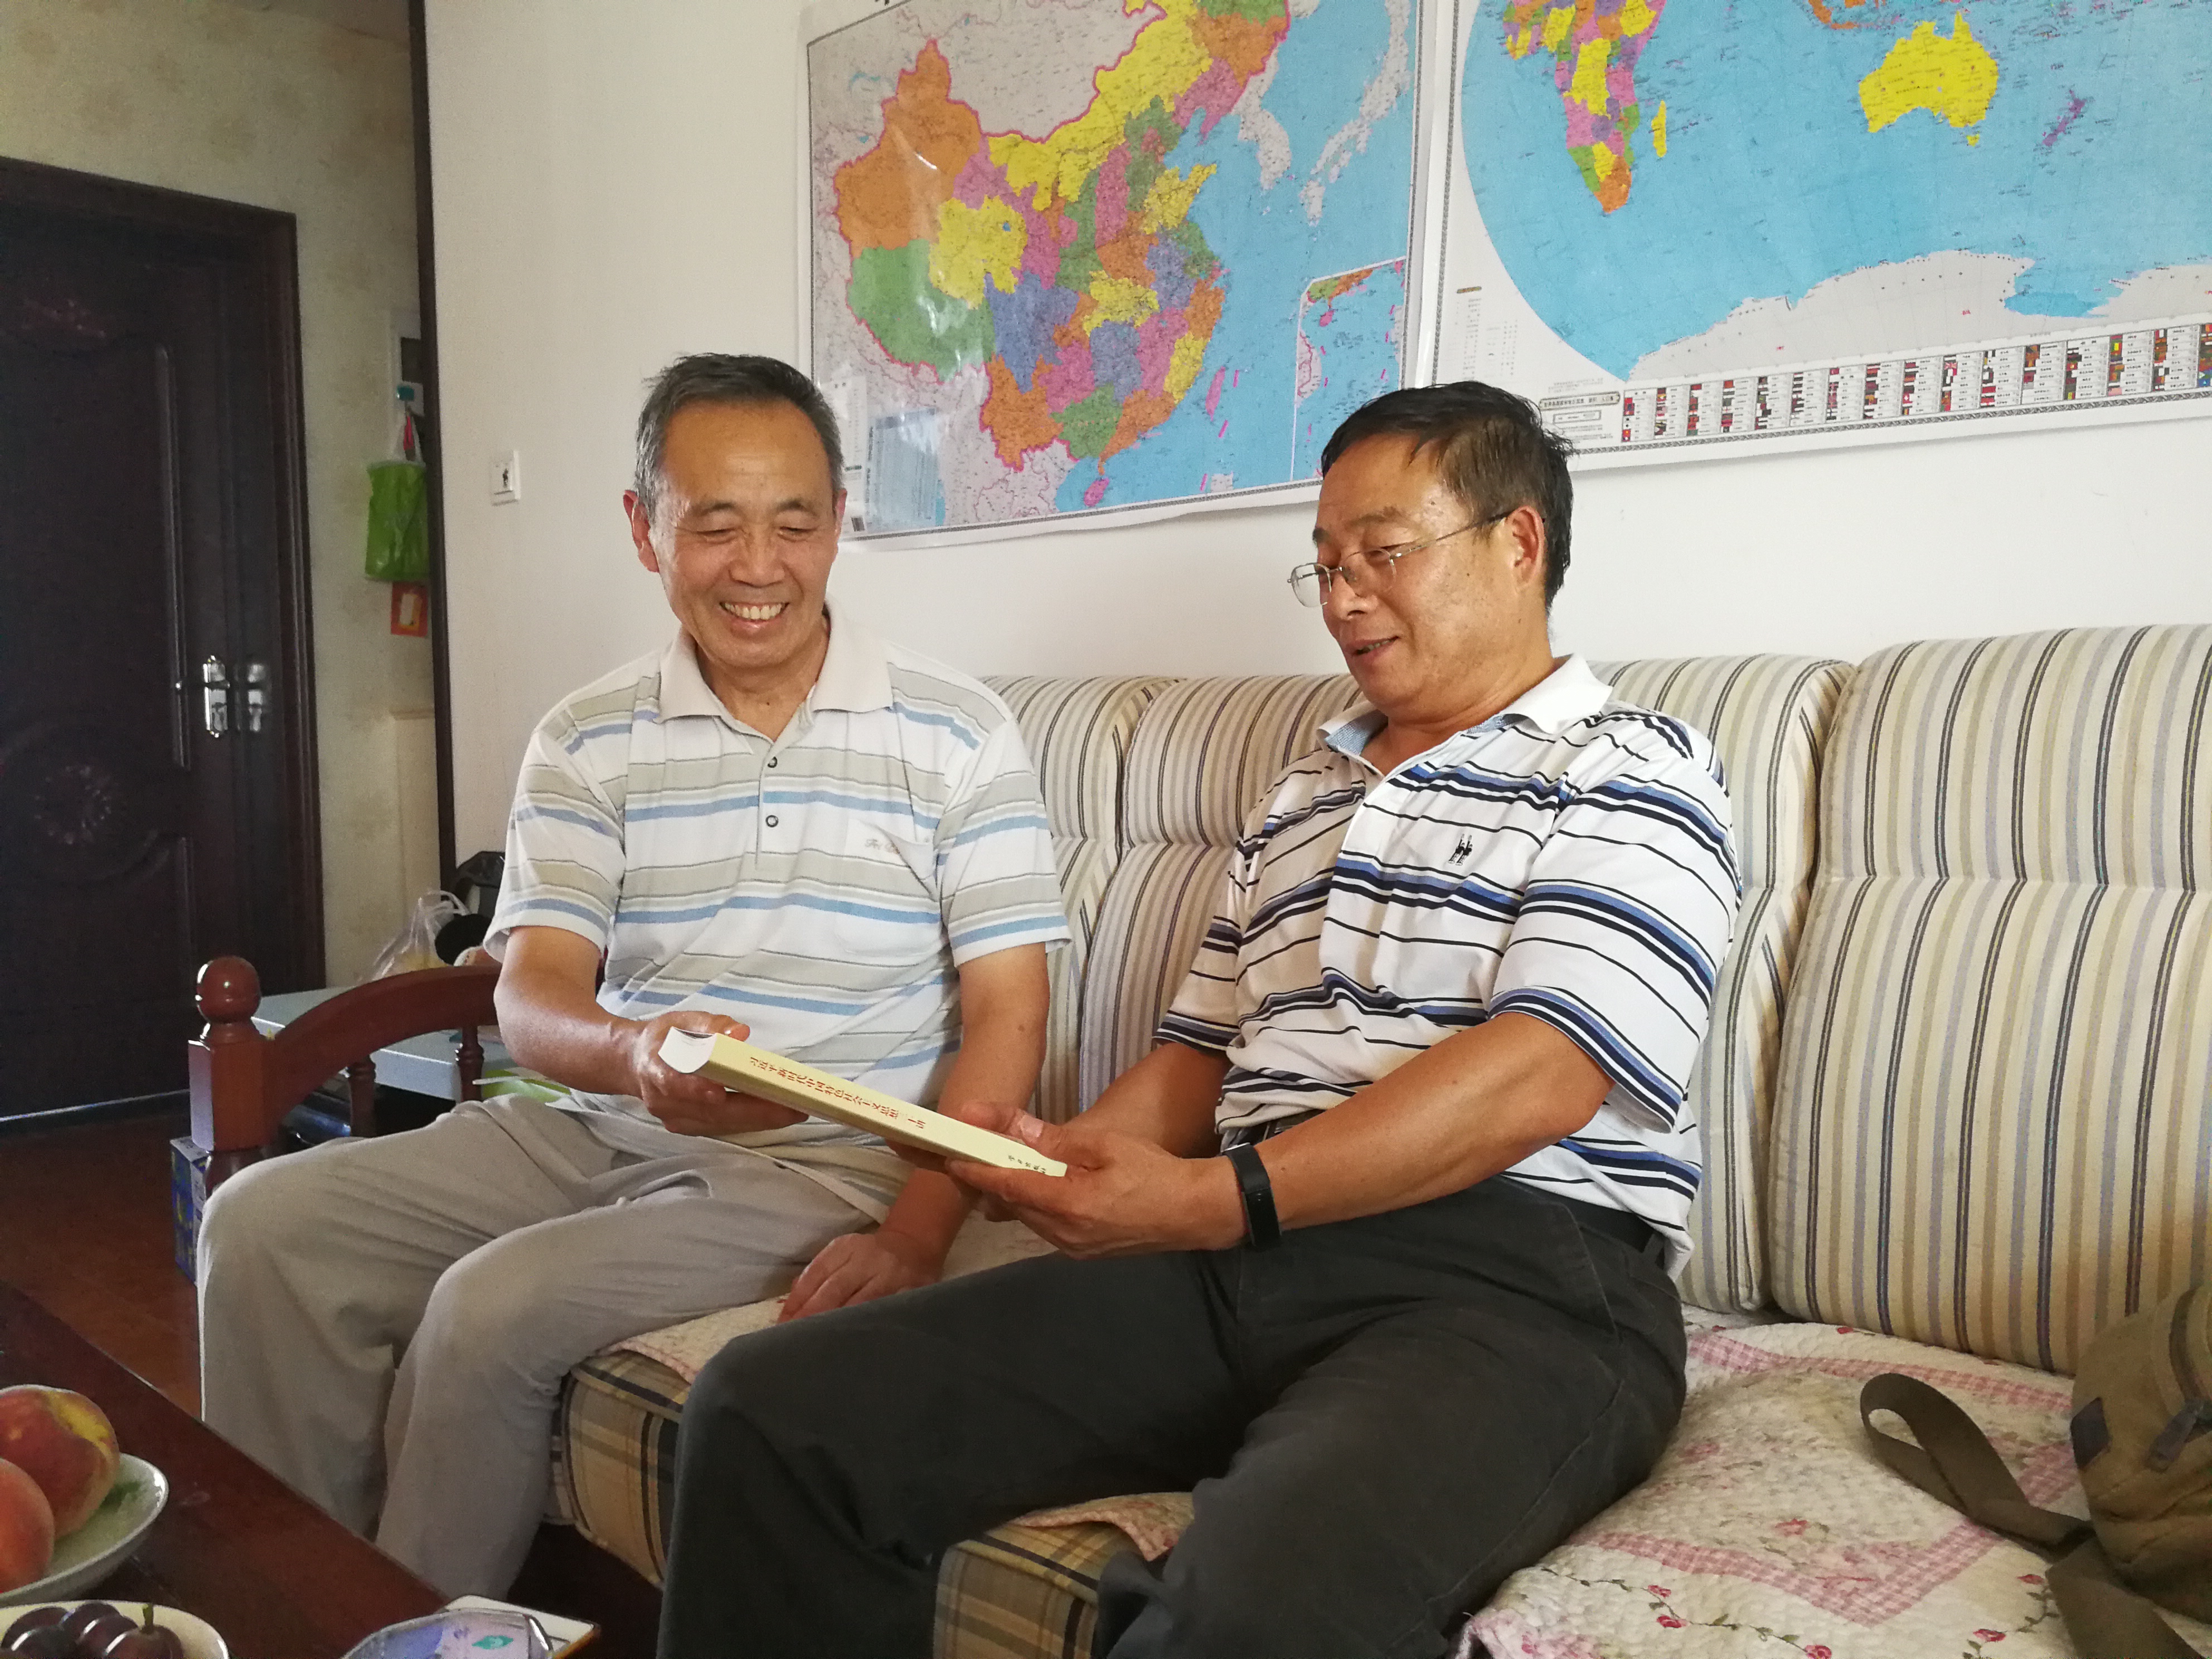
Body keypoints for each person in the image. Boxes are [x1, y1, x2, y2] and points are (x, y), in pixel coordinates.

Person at [652, 381, 1740, 1658]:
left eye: (1383, 553)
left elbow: (1540, 1075)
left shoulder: (1633, 768)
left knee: (1253, 1607)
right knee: (772, 1412)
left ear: (1518, 543)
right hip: (1241, 1259)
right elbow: (1200, 1057)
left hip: (1514, 1282)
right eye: (1325, 564)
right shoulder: (1305, 794)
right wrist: (1051, 1164)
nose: (1343, 597)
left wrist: (1217, 1199)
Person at [195, 353, 1067, 1599]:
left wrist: (919, 1230)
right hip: (590, 1126)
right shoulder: (587, 735)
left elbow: (1010, 1012)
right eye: (714, 525)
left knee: (490, 1309)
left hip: (825, 1166)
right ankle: (295, 1605)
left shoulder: (957, 731)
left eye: (794, 524)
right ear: (644, 529)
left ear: (839, 523)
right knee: (261, 1227)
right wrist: (632, 1055)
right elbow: (531, 991)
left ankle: (407, 1631)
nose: (758, 567)